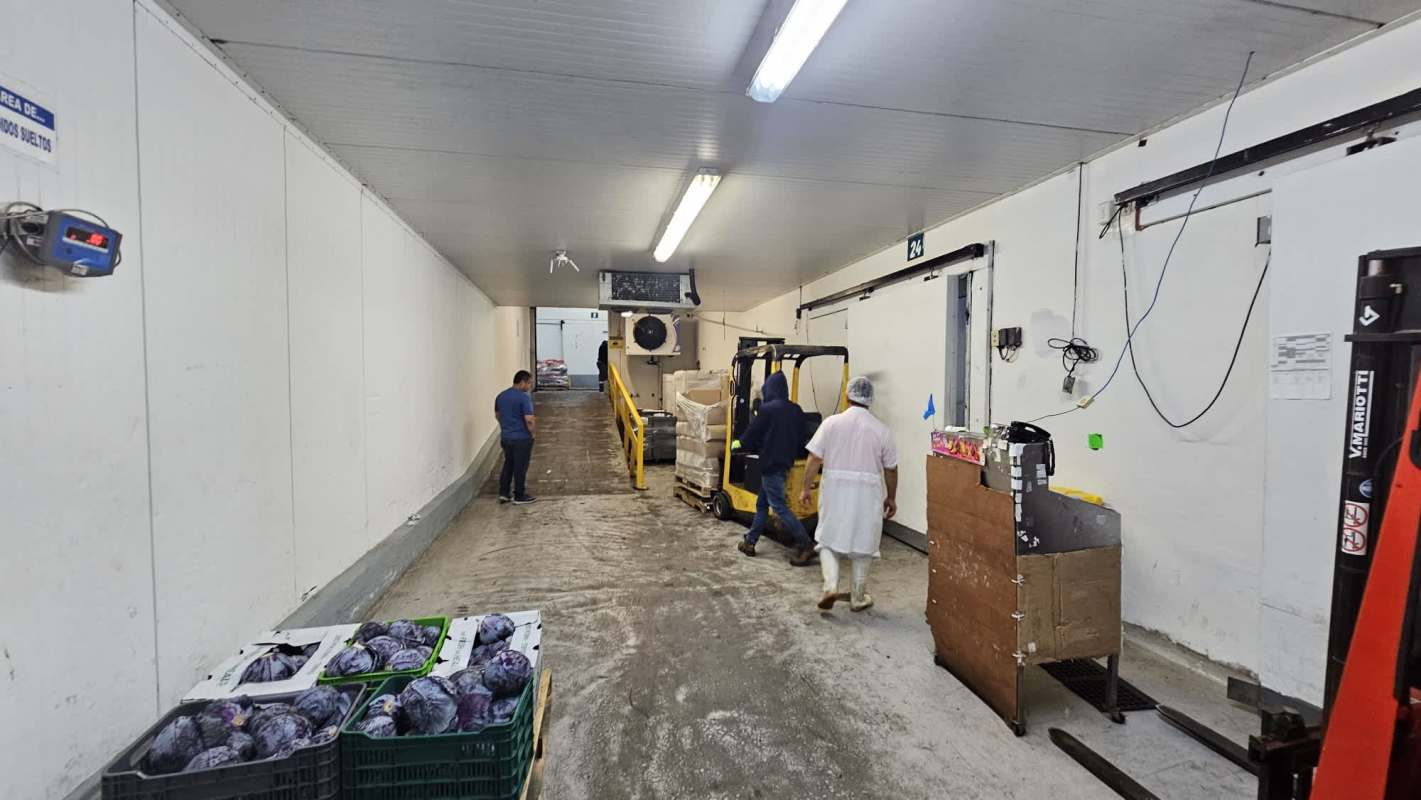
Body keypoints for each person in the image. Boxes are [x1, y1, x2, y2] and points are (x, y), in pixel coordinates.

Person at [799, 376, 899, 612]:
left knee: (827, 540)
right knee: (864, 544)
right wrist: (891, 497)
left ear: (847, 396)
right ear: (870, 400)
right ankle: (857, 596)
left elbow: (814, 458)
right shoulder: (882, 430)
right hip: (868, 493)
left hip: (835, 489)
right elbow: (891, 468)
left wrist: (805, 488)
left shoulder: (831, 424)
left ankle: (830, 587)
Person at [733, 370, 817, 566]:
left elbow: (753, 432)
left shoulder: (767, 409)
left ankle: (806, 544)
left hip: (770, 464)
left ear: (769, 389)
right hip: (786, 463)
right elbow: (803, 435)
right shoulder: (796, 409)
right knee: (762, 504)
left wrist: (739, 443)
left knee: (779, 506)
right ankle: (750, 542)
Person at [494, 370, 538, 505]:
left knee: (508, 464)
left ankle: (504, 493)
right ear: (522, 382)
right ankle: (519, 495)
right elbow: (529, 419)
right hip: (521, 438)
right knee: (520, 467)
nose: (530, 386)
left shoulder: (501, 396)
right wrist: (532, 433)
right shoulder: (524, 398)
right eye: (529, 383)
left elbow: (497, 415)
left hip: (506, 437)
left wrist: (505, 427)